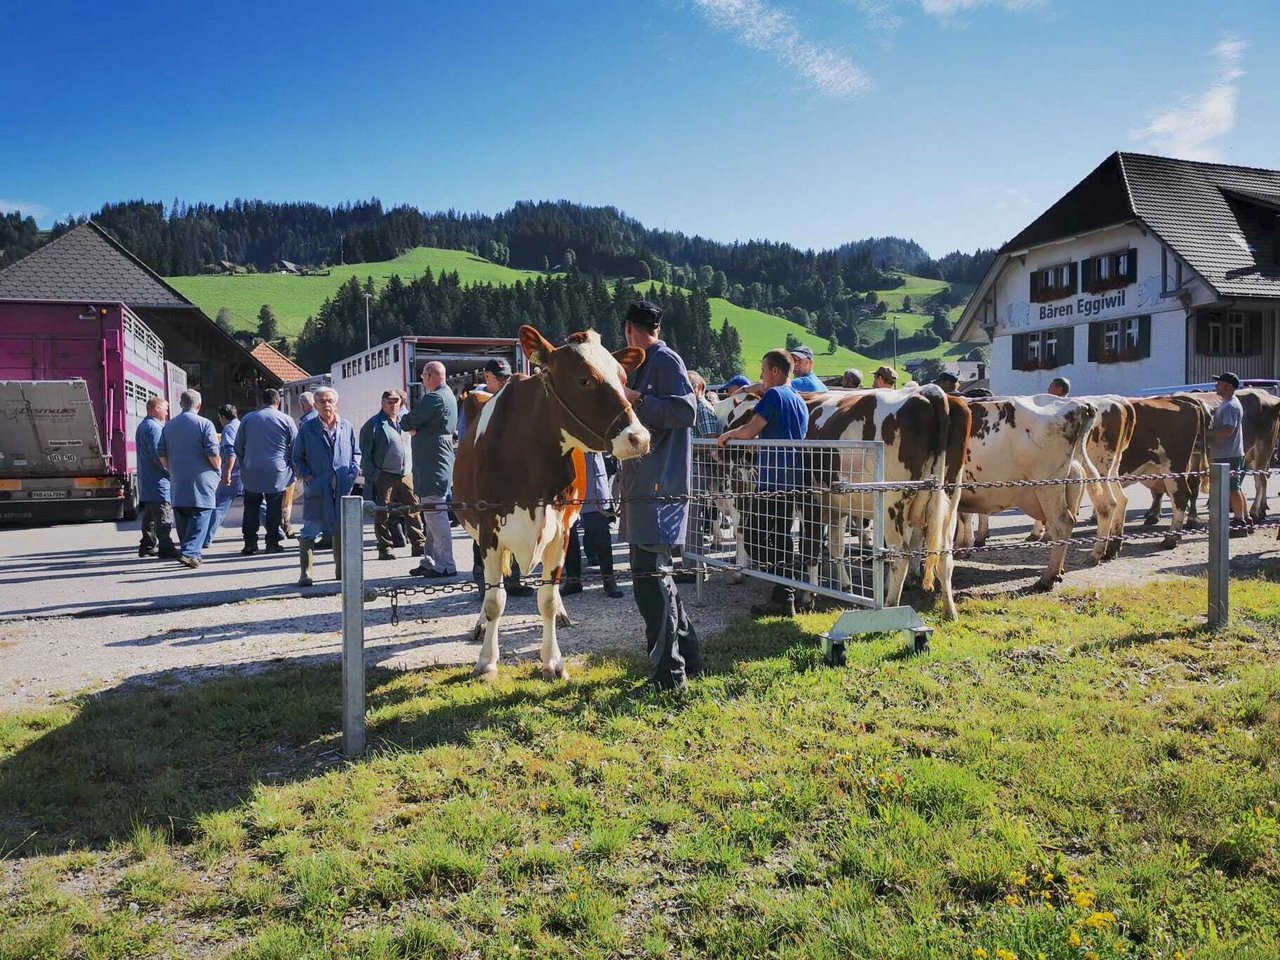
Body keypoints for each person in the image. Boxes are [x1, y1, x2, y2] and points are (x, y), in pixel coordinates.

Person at [617, 300, 703, 694]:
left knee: (651, 583)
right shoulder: (646, 362)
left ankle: (670, 678)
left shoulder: (665, 360)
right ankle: (691, 659)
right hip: (644, 487)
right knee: (655, 579)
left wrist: (636, 399)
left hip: (659, 489)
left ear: (629, 330)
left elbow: (686, 412)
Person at [717, 349, 809, 616]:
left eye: (763, 369)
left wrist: (728, 436)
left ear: (776, 371)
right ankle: (784, 597)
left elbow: (750, 430)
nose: (761, 375)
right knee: (781, 537)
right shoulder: (798, 399)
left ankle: (784, 581)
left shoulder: (774, 395)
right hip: (793, 477)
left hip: (773, 479)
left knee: (754, 535)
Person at [461, 359, 534, 596]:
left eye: (506, 377)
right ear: (487, 377)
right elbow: (466, 444)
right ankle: (485, 582)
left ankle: (512, 581)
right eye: (499, 377)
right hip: (484, 476)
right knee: (483, 530)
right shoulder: (474, 402)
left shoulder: (515, 402)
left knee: (512, 528)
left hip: (512, 476)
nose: (504, 381)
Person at [292, 386, 360, 586]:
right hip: (318, 486)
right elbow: (297, 457)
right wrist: (307, 476)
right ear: (315, 405)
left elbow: (356, 453)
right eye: (321, 401)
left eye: (330, 401)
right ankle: (306, 573)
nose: (326, 405)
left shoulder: (345, 426)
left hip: (341, 486)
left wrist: (352, 473)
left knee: (340, 529)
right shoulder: (307, 428)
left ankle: (341, 571)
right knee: (310, 530)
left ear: (336, 403)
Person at [402, 360, 459, 578]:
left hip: (432, 463)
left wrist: (413, 426)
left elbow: (408, 421)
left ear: (428, 376)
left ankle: (445, 564)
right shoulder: (448, 396)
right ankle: (431, 560)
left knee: (436, 514)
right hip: (437, 460)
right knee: (432, 514)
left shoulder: (434, 397)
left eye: (424, 377)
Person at [157, 389, 220, 569]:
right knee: (202, 512)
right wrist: (217, 467)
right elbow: (212, 452)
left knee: (182, 514)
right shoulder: (205, 424)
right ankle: (190, 552)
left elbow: (160, 451)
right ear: (199, 405)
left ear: (181, 404)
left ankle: (191, 553)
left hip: (178, 478)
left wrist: (170, 467)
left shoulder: (169, 425)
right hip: (201, 477)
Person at [360, 389, 425, 561]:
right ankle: (385, 547)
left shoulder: (405, 422)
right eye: (389, 402)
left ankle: (419, 545)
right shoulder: (373, 424)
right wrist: (374, 475)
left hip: (406, 474)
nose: (393, 405)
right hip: (385, 475)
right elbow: (365, 454)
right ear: (382, 403)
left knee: (413, 509)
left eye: (396, 402)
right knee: (382, 512)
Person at [235, 388, 298, 556]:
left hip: (251, 469)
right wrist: (293, 468)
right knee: (274, 508)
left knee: (251, 508)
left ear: (261, 402)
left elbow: (238, 446)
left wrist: (244, 464)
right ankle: (272, 543)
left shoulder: (248, 419)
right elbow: (295, 447)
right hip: (277, 471)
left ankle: (249, 542)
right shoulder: (286, 420)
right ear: (277, 402)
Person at [562, 452, 624, 599]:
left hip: (593, 476)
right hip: (567, 472)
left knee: (600, 530)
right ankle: (573, 580)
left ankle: (609, 579)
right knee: (568, 533)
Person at [135, 395, 178, 559]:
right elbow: (158, 454)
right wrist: (169, 471)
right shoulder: (154, 428)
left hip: (148, 479)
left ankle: (147, 544)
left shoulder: (144, 426)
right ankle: (166, 547)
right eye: (165, 409)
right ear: (156, 408)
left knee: (150, 516)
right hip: (158, 480)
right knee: (162, 515)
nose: (167, 413)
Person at [1209, 372, 1250, 535]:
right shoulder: (1227, 403)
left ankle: (1239, 522)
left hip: (1228, 453)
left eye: (1220, 383)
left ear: (1229, 386)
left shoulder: (1230, 406)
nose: (1216, 386)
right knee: (1236, 488)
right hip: (1231, 452)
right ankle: (1246, 518)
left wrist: (1206, 432)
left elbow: (1227, 430)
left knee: (1233, 489)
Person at [205, 404, 243, 546]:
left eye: (219, 418)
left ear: (223, 417)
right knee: (259, 505)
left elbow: (230, 453)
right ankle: (277, 532)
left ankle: (206, 538)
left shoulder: (228, 429)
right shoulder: (242, 425)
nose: (219, 421)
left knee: (219, 506)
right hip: (247, 470)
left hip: (234, 472)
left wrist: (227, 472)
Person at [688, 370, 720, 439]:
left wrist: (687, 446)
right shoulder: (693, 407)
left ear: (700, 387)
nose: (686, 390)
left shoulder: (703, 408)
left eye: (692, 386)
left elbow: (710, 442)